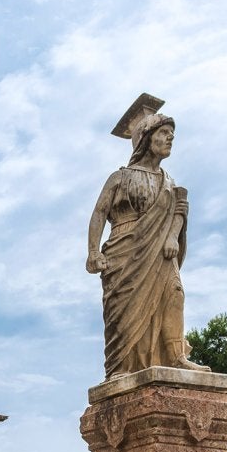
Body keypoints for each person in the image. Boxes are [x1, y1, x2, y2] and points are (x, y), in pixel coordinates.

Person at [86, 94, 209, 377]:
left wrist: (171, 237)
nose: (170, 139)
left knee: (174, 294)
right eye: (164, 133)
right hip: (123, 249)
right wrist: (93, 251)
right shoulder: (120, 177)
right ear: (146, 137)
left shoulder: (170, 183)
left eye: (172, 135)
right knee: (126, 312)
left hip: (162, 252)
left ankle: (176, 356)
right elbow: (99, 213)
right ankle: (121, 367)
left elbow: (179, 212)